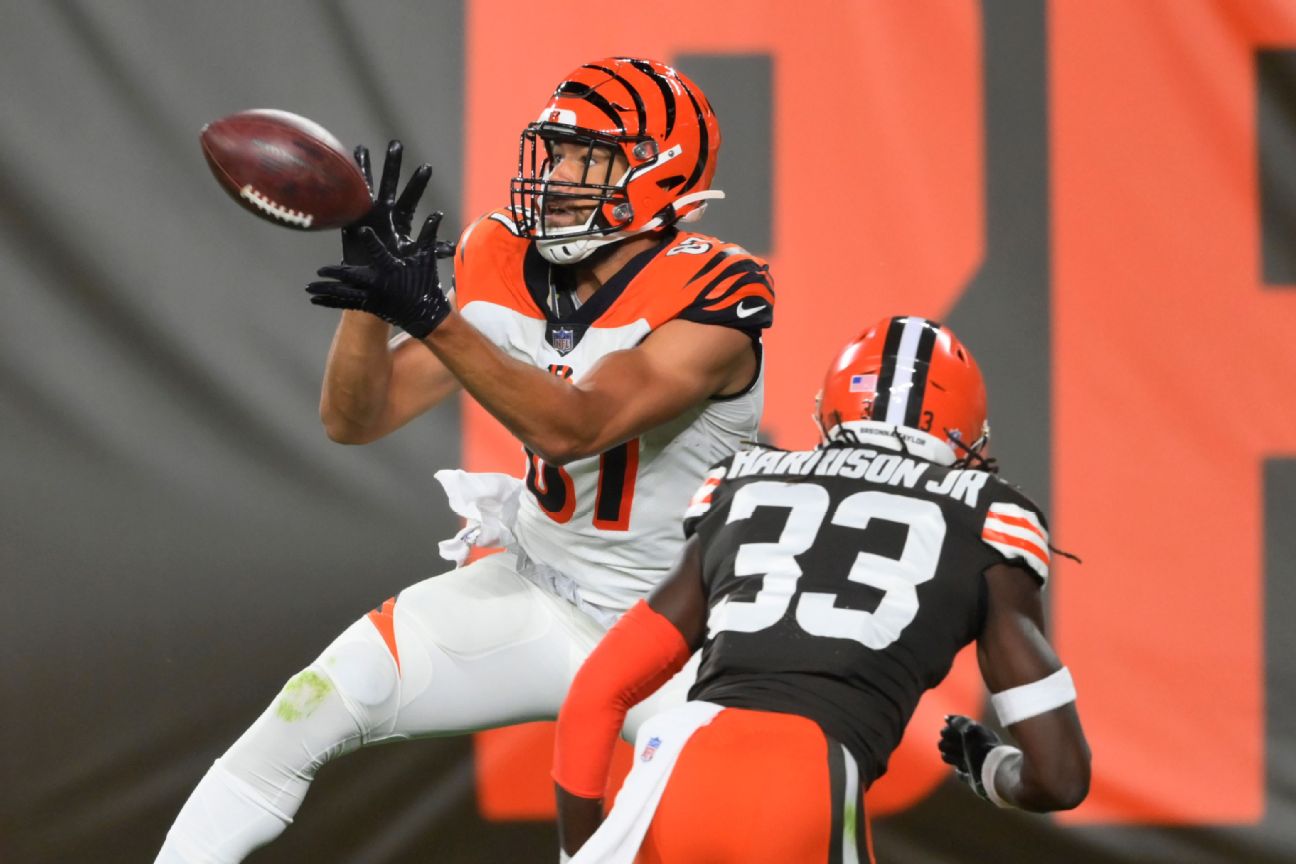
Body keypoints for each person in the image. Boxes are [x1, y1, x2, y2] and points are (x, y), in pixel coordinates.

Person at [155, 57, 774, 863]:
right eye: (555, 153)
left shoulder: (715, 295)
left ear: (662, 173)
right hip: (537, 589)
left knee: (714, 840)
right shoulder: (505, 255)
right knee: (311, 707)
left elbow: (577, 426)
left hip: (680, 641)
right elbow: (356, 418)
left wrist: (432, 313)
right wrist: (373, 303)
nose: (558, 177)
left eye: (590, 157)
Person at [552, 316, 1091, 864]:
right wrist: (994, 770)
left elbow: (597, 691)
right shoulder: (986, 518)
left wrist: (583, 851)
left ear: (830, 407)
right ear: (965, 435)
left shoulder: (746, 482)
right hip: (807, 778)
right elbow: (1060, 777)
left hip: (675, 767)